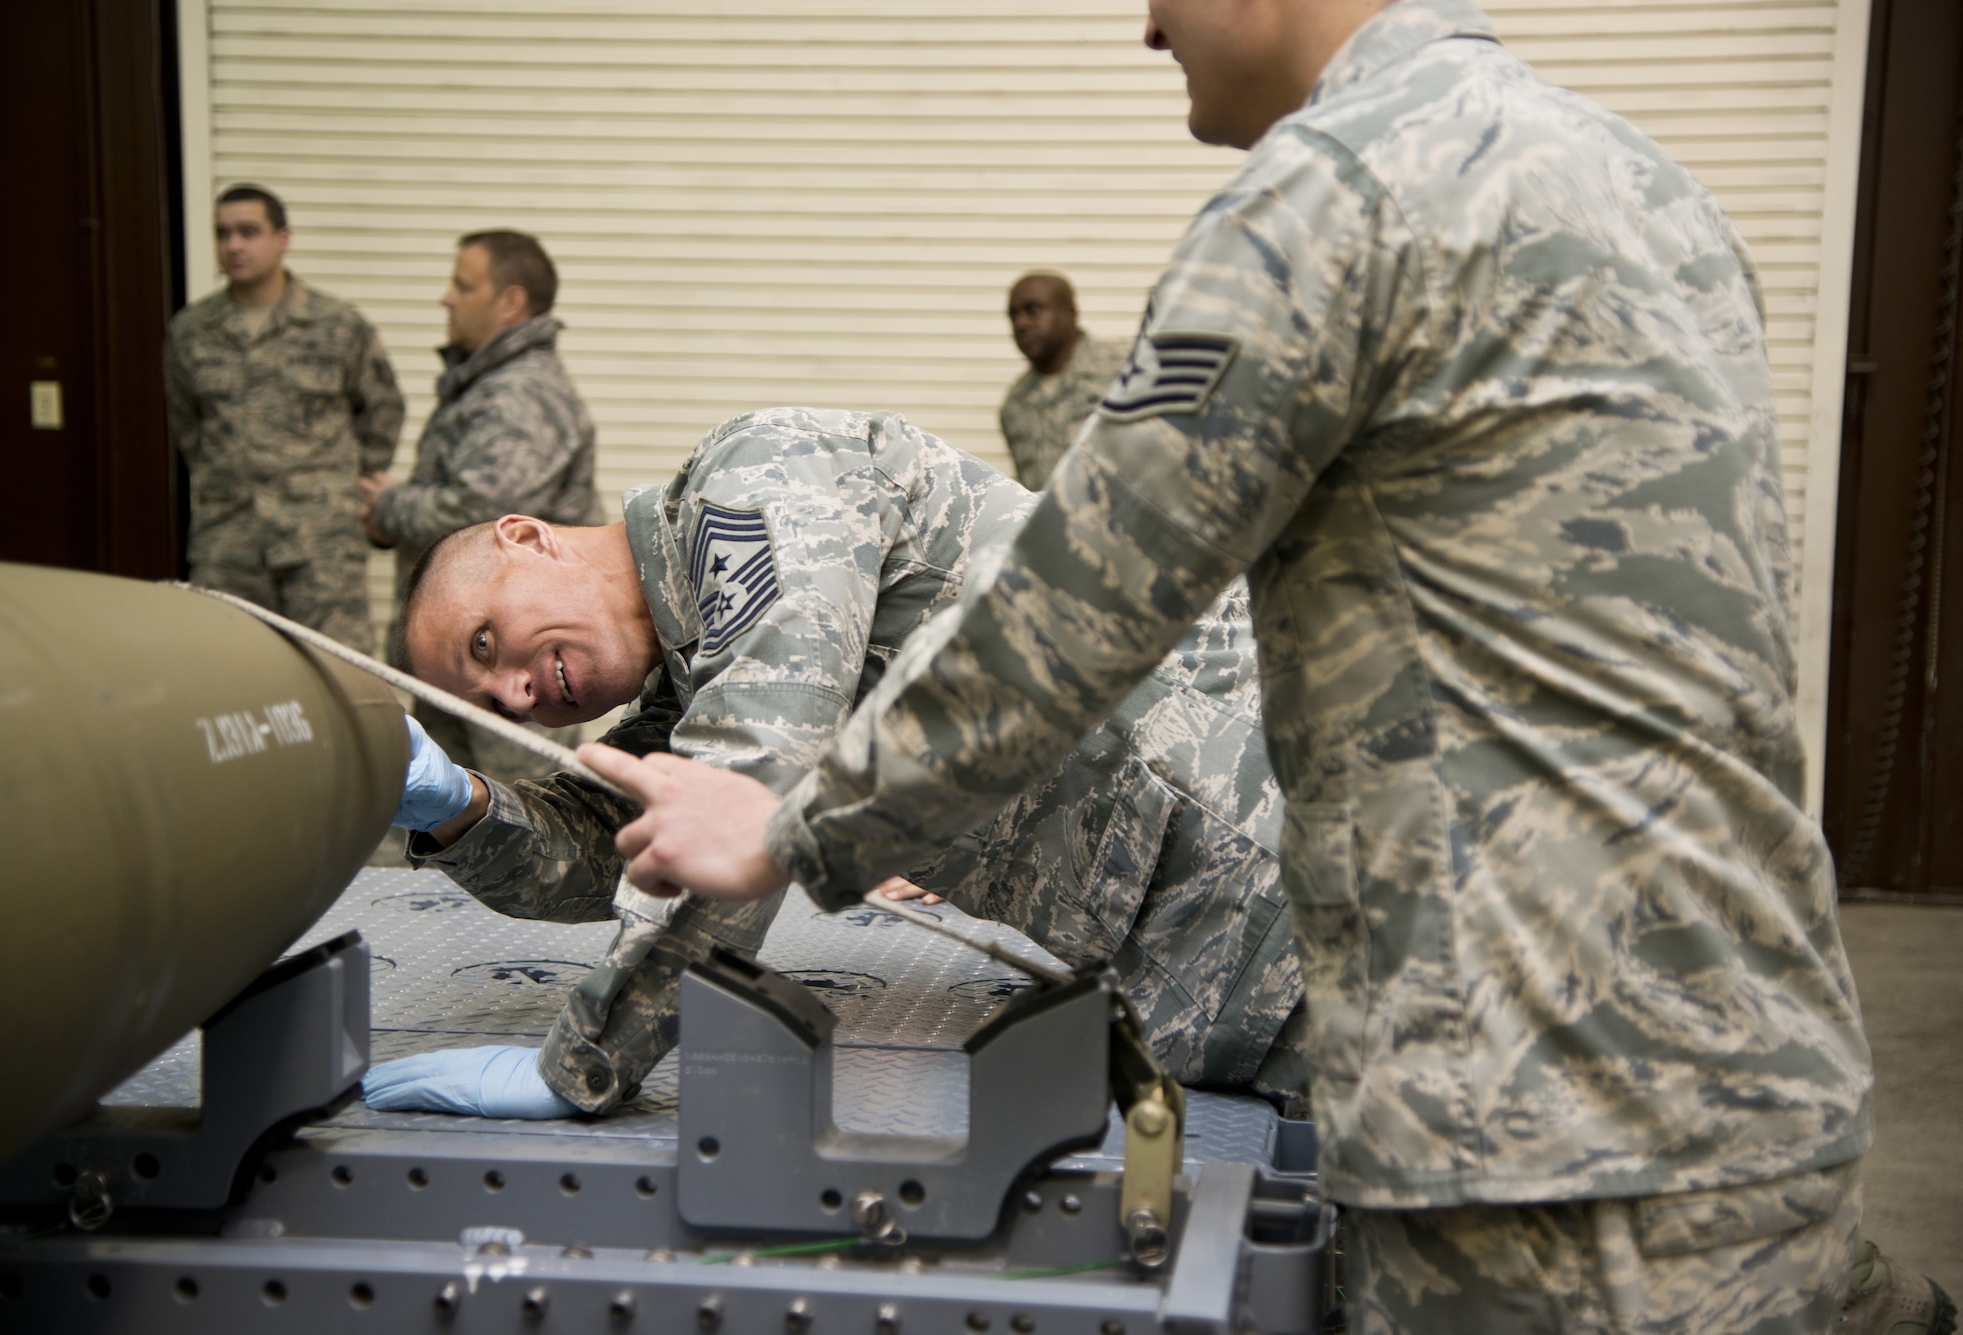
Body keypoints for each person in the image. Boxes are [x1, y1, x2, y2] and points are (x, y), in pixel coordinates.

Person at [577, 3, 1897, 1330]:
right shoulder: (1649, 185)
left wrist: (798, 828)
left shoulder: (1329, 201)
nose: (1148, 27)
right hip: (1753, 1051)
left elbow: (1078, 599)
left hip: (1536, 1126)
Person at [364, 407, 1305, 1119]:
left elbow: (750, 779)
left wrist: (580, 1062)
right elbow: (621, 844)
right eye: (488, 701)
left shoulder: (749, 488)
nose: (517, 697)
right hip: (1208, 964)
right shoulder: (695, 674)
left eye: (488, 642)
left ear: (526, 537)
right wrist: (459, 808)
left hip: (1276, 873)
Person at [361, 230, 603, 783]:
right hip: (471, 649)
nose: (446, 298)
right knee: (448, 814)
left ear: (510, 302)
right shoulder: (487, 384)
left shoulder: (522, 394)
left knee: (527, 814)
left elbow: (479, 512)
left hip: (514, 663)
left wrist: (390, 507)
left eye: (462, 285)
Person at [164, 184, 404, 651]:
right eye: (223, 233)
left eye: (248, 232)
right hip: (229, 543)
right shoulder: (191, 332)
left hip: (320, 543)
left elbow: (382, 409)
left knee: (342, 674)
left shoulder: (337, 325)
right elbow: (187, 426)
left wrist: (338, 488)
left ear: (282, 239)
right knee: (225, 670)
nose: (233, 245)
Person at [999, 273, 1127, 489]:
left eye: (1033, 310)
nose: (1021, 323)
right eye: (1013, 315)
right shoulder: (1015, 405)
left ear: (1070, 313)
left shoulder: (1123, 372)